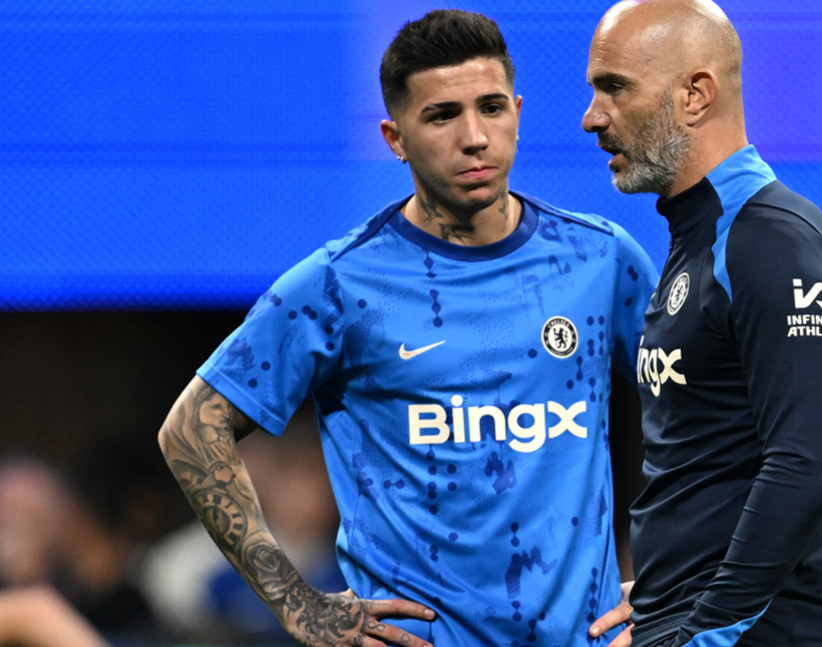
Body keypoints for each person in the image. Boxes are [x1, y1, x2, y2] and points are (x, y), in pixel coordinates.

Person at [158, 9, 657, 647]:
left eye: (492, 107)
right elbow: (191, 429)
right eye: (442, 115)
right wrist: (295, 603)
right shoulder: (340, 284)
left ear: (518, 111)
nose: (474, 137)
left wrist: (678, 574)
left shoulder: (600, 261)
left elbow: (705, 414)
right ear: (395, 137)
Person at [580, 2, 822, 646]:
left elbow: (804, 466)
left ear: (695, 95)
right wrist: (663, 592)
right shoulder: (698, 243)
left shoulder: (769, 243)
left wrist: (702, 631)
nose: (593, 117)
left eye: (614, 87)